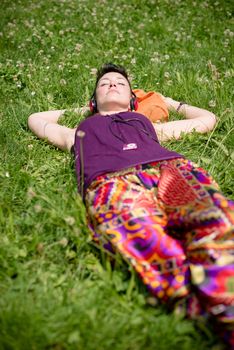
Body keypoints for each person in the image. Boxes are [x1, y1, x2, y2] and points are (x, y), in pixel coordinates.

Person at [28, 63, 234, 347]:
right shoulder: (78, 132)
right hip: (112, 184)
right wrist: (84, 110)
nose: (112, 84)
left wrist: (169, 102)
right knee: (144, 237)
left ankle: (225, 288)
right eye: (104, 83)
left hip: (170, 169)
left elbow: (207, 120)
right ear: (92, 99)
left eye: (120, 83)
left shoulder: (147, 125)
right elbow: (36, 118)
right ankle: (203, 304)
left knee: (213, 220)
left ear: (133, 99)